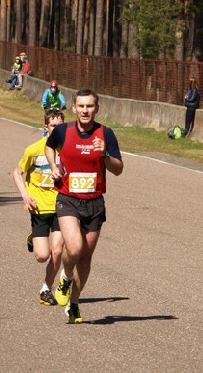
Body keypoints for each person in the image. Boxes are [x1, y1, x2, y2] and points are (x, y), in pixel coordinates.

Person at [45, 89, 123, 324]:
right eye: (81, 106)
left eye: (90, 106)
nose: (85, 110)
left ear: (96, 109)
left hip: (95, 203)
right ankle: (66, 277)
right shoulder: (62, 131)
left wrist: (104, 155)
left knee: (86, 258)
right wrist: (53, 166)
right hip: (68, 198)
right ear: (74, 108)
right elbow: (49, 147)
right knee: (75, 248)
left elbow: (118, 169)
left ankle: (74, 304)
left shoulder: (105, 134)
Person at [12, 109, 65, 306]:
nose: (57, 129)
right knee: (43, 256)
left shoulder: (67, 151)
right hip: (39, 208)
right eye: (53, 126)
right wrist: (25, 196)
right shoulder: (34, 150)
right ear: (46, 127)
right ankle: (34, 237)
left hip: (62, 207)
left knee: (58, 251)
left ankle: (46, 288)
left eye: (60, 126)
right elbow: (17, 173)